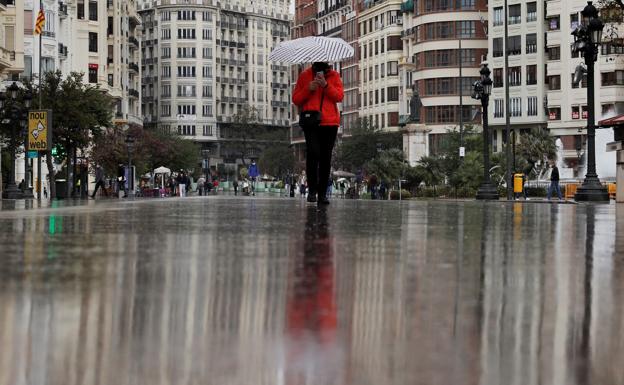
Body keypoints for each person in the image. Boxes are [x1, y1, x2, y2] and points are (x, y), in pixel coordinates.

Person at [293, 62, 344, 205]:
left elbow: (339, 96)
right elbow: (296, 99)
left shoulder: (334, 76)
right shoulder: (305, 76)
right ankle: (312, 191)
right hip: (311, 122)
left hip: (330, 123)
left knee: (325, 158)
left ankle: (322, 194)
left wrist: (326, 85)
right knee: (313, 154)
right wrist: (308, 88)